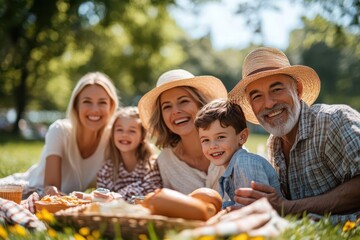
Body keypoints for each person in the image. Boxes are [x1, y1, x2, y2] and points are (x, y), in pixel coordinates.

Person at [228, 47, 360, 223]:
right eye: (257, 96)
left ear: (297, 90)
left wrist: (287, 208)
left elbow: (285, 207)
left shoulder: (333, 120)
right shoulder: (273, 144)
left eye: (276, 90)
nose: (268, 103)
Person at [0, 72, 119, 198]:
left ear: (111, 106)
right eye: (87, 101)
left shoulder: (113, 140)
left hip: (65, 202)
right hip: (22, 192)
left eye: (102, 102)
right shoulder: (60, 130)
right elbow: (50, 190)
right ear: (76, 106)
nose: (95, 109)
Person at [138, 69, 228, 194]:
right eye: (167, 106)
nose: (175, 111)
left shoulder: (229, 145)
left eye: (184, 101)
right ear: (161, 117)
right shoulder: (165, 162)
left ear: (200, 104)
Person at [194, 98, 281, 208]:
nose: (212, 146)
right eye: (205, 140)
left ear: (242, 137)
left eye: (220, 137)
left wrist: (217, 210)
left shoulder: (244, 163)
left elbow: (251, 207)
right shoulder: (234, 165)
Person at [96, 106, 162, 202]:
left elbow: (150, 194)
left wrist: (113, 197)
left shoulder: (151, 165)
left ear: (142, 137)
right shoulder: (106, 171)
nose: (124, 134)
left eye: (132, 131)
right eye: (119, 130)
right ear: (113, 134)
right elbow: (99, 200)